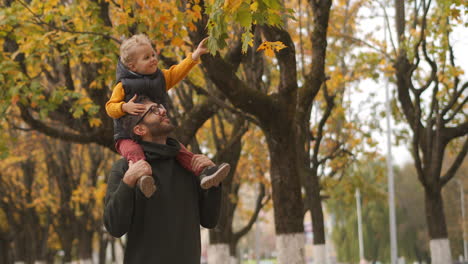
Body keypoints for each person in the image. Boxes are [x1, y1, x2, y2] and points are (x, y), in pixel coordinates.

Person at [105, 34, 229, 197]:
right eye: (146, 57)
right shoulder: (124, 85)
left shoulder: (160, 78)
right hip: (126, 135)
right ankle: (143, 178)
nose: (153, 59)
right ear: (133, 66)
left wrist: (194, 56)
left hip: (153, 132)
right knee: (134, 153)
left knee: (179, 150)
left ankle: (204, 172)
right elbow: (110, 107)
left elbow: (177, 72)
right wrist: (124, 106)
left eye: (153, 55)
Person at [104, 98, 222, 263]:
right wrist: (128, 181)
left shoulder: (189, 166)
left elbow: (209, 220)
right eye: (153, 110)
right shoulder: (125, 168)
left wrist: (214, 183)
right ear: (139, 129)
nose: (163, 110)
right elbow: (114, 227)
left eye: (160, 106)